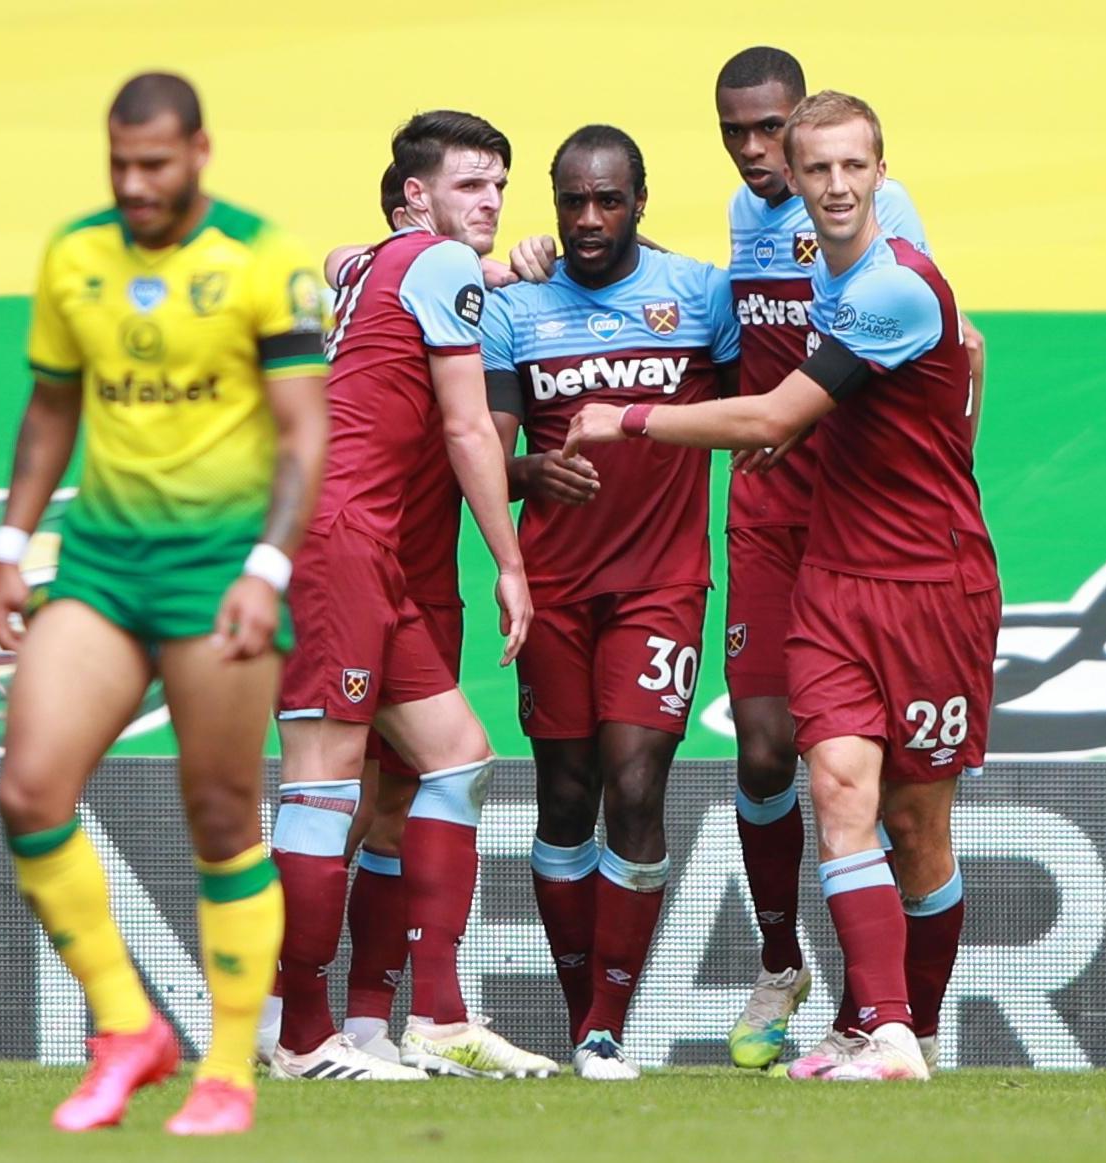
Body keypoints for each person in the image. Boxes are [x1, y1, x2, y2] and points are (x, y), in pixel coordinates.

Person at [564, 91, 999, 1083]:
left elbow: (769, 417)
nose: (837, 186)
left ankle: (912, 1024)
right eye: (819, 172)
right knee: (835, 782)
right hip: (838, 581)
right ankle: (877, 1029)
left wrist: (625, 419)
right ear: (791, 188)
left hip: (932, 585)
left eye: (855, 168)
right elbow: (799, 411)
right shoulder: (832, 287)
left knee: (916, 825)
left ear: (882, 176)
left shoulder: (892, 287)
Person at [0, 72, 329, 1133]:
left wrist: (266, 567)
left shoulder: (264, 259)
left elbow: (303, 434)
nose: (135, 186)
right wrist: (12, 542)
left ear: (199, 151)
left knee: (223, 815)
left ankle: (229, 1069)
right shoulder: (74, 254)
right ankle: (129, 1026)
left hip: (219, 566)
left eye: (155, 165)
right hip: (100, 562)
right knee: (29, 790)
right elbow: (52, 407)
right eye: (119, 165)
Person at [271, 110, 556, 1082]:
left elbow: (347, 256)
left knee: (453, 760)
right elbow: (473, 431)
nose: (489, 202)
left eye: (498, 187)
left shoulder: (371, 266)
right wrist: (511, 562)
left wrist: (499, 272)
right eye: (469, 184)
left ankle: (417, 1019)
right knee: (324, 779)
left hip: (369, 545)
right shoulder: (436, 265)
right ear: (416, 197)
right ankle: (298, 1029)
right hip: (342, 537)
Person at [483, 125, 740, 1081]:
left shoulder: (699, 296)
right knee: (564, 795)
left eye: (609, 200)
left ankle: (603, 1028)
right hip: (552, 589)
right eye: (572, 202)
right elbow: (487, 461)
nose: (589, 220)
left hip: (662, 585)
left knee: (635, 784)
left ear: (639, 199)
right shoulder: (516, 311)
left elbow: (755, 407)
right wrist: (527, 470)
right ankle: (579, 1011)